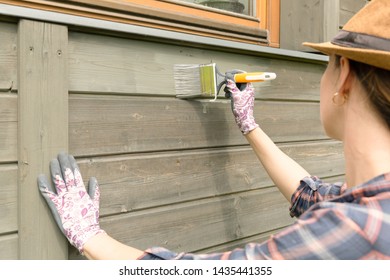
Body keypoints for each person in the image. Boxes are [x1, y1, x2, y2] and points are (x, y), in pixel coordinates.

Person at [38, 0, 390, 260]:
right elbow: (310, 196)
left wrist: (91, 237)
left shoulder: (355, 229)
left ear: (343, 75)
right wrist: (249, 125)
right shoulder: (373, 206)